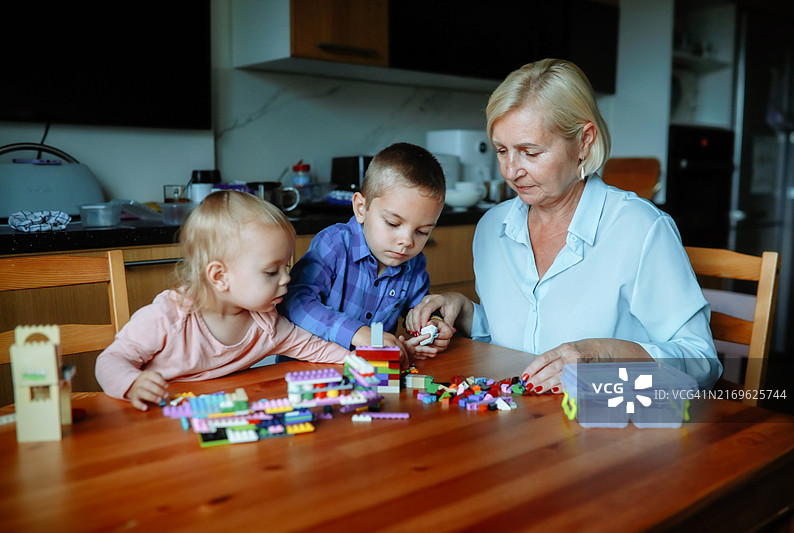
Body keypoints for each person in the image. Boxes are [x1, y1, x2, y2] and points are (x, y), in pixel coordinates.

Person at [406, 59, 722, 391]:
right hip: (519, 425)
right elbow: (523, 340)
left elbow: (701, 362)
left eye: (530, 152)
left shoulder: (641, 229)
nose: (511, 171)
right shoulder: (491, 228)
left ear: (584, 141)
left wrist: (604, 355)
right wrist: (466, 312)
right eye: (502, 150)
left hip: (610, 425)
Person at [95, 190, 351, 410]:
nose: (286, 278)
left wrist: (364, 357)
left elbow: (318, 348)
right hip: (156, 423)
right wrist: (132, 383)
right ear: (219, 276)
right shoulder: (168, 318)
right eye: (272, 271)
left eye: (287, 265)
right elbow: (110, 360)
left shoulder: (267, 325)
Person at [280, 142, 454, 364]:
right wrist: (358, 333)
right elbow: (295, 301)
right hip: (307, 372)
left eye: (422, 231)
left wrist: (432, 327)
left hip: (371, 375)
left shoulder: (414, 263)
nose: (407, 241)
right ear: (361, 208)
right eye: (392, 223)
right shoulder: (334, 244)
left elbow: (419, 310)